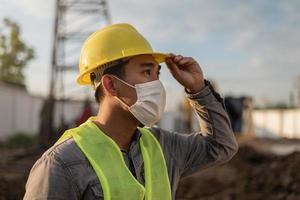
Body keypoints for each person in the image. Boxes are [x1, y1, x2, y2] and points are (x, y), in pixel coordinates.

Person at [24, 23, 238, 200]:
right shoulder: (61, 164)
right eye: (147, 72)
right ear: (111, 85)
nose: (157, 84)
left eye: (157, 73)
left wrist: (198, 89)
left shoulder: (163, 146)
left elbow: (221, 146)